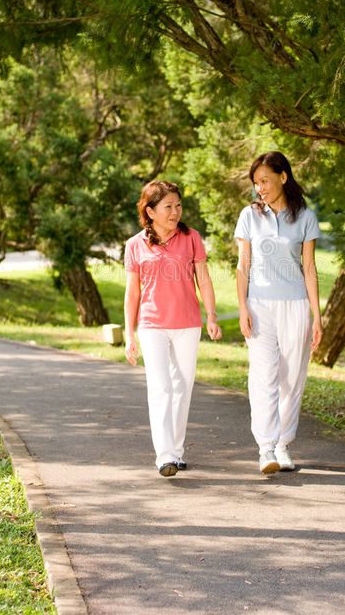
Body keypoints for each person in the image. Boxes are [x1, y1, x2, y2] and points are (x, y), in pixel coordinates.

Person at [124, 180, 221, 477]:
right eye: (168, 206)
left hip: (188, 324)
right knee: (160, 387)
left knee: (183, 387)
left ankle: (176, 451)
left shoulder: (191, 237)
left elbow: (203, 279)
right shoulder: (135, 244)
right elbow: (132, 293)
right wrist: (129, 334)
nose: (175, 211)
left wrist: (212, 315)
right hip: (152, 325)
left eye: (178, 205)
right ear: (150, 211)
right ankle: (164, 455)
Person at [234, 151, 322, 474]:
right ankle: (266, 448)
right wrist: (242, 306)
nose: (260, 188)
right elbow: (243, 265)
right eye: (256, 183)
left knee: (292, 377)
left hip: (296, 304)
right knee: (263, 375)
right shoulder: (249, 215)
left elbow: (310, 268)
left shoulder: (305, 217)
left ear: (283, 177)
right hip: (259, 305)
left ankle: (284, 444)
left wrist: (318, 316)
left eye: (265, 181)